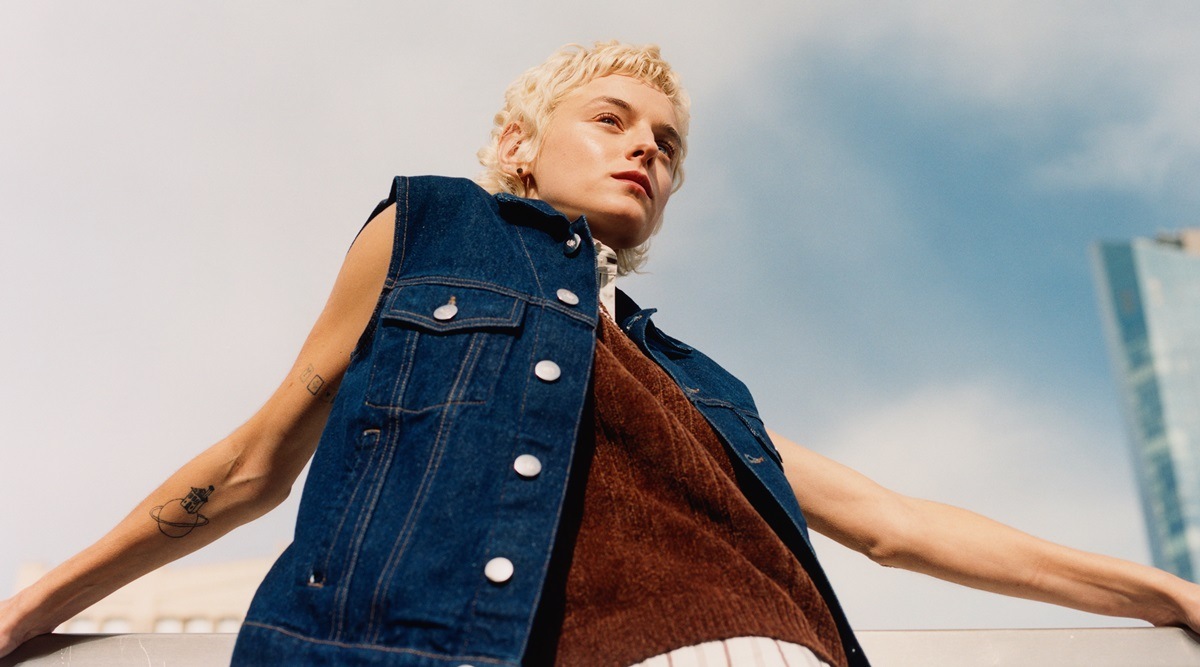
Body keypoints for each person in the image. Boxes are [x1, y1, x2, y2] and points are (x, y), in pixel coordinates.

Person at [2, 40, 1199, 667]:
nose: (647, 153)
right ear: (519, 144)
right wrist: (37, 603)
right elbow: (256, 461)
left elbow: (898, 524)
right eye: (612, 120)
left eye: (667, 144)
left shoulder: (700, 389)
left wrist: (1166, 593)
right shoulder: (430, 228)